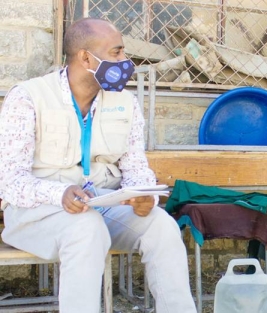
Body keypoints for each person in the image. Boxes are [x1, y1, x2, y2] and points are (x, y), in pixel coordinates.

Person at [0, 18, 197, 313]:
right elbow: (10, 180)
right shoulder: (28, 97)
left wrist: (144, 195)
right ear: (85, 58)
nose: (126, 61)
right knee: (85, 228)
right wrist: (60, 193)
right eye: (116, 53)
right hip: (36, 215)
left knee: (161, 225)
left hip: (101, 207)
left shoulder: (125, 103)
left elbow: (135, 167)